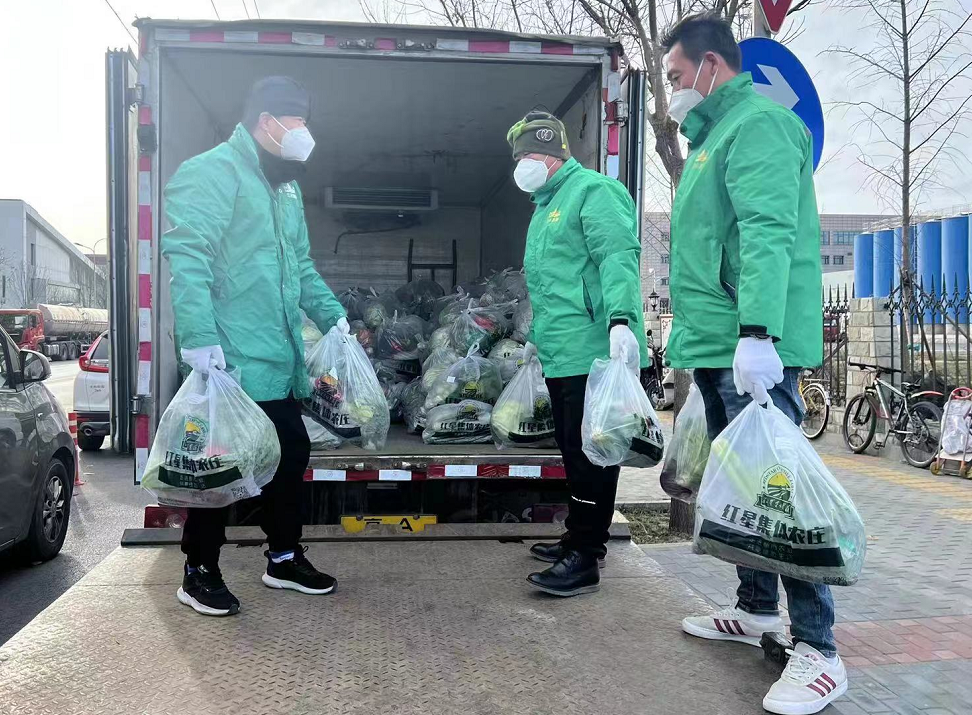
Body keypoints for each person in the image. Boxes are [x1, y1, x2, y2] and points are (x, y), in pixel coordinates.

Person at [662, 14, 844, 715]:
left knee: (778, 493)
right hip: (718, 343)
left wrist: (759, 331)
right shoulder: (711, 140)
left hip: (751, 343)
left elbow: (768, 232)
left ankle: (819, 649)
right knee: (739, 488)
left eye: (677, 76)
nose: (674, 90)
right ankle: (756, 606)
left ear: (711, 66)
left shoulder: (759, 126)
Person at [162, 76, 347, 617]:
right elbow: (189, 255)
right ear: (268, 122)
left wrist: (333, 316)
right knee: (217, 467)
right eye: (298, 122)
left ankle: (283, 558)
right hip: (229, 359)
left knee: (290, 456)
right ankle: (199, 570)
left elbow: (300, 265)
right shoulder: (211, 172)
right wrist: (198, 337)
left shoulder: (285, 188)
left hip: (277, 359)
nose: (306, 132)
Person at [506, 111, 648, 597]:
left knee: (593, 455)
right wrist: (536, 337)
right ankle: (579, 537)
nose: (521, 165)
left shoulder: (593, 191)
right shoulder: (546, 205)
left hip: (593, 350)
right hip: (562, 350)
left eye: (528, 155)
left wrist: (621, 320)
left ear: (551, 155)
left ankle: (586, 555)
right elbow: (552, 286)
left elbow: (617, 257)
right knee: (573, 449)